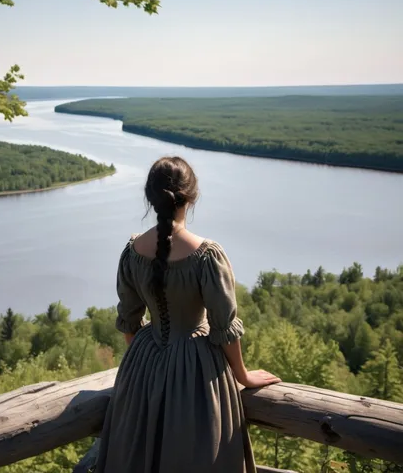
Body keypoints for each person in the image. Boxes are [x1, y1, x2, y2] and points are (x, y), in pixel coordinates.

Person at [95, 156, 281, 473]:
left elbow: (129, 321)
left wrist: (144, 370)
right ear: (191, 197)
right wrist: (243, 376)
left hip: (142, 362)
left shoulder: (132, 251)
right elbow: (223, 327)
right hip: (197, 371)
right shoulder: (206, 255)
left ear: (151, 197)